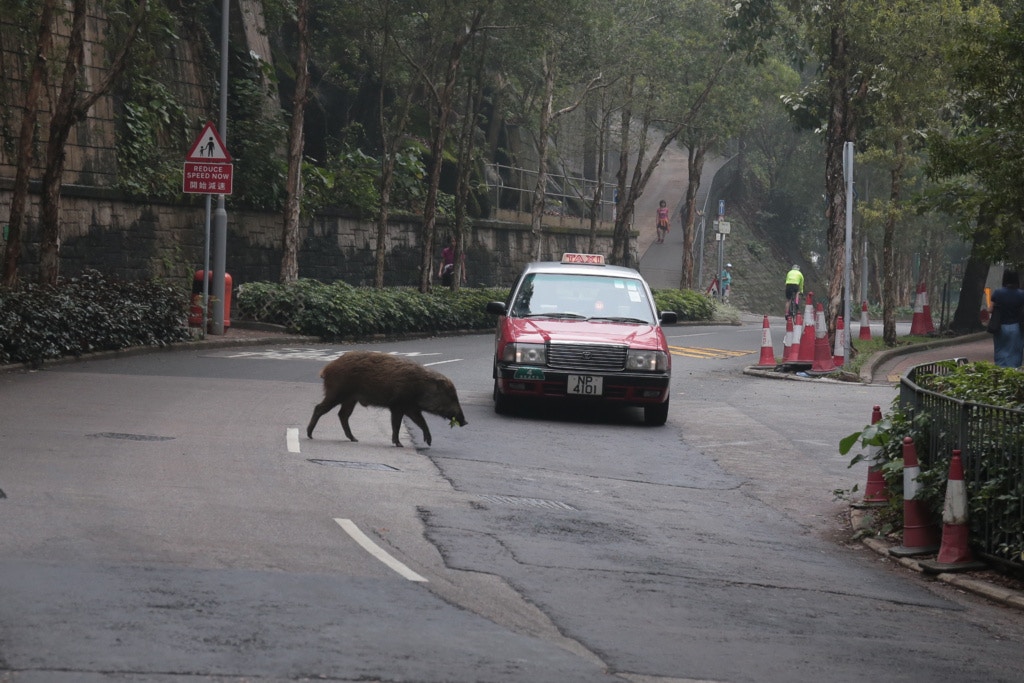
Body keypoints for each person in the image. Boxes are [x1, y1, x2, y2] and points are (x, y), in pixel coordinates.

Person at [989, 269, 1024, 367]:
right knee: (1016, 352)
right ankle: (1013, 372)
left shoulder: (998, 293)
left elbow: (990, 309)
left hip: (1000, 327)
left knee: (1000, 350)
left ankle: (1001, 372)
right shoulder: (1021, 294)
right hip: (1017, 327)